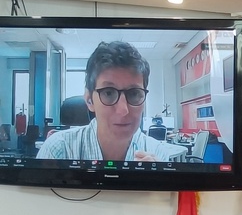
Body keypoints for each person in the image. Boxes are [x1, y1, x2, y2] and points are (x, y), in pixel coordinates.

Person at [36, 41, 182, 161]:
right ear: (89, 100)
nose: (123, 110)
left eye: (134, 94)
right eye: (108, 93)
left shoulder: (158, 154)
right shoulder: (58, 150)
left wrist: (156, 183)